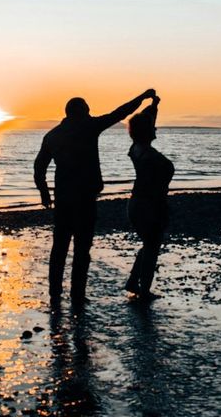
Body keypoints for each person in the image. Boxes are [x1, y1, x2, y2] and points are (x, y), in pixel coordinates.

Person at [34, 88, 156, 303]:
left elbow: (39, 166)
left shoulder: (52, 135)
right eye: (88, 112)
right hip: (84, 198)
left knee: (59, 247)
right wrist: (143, 97)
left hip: (63, 199)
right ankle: (77, 295)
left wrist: (44, 192)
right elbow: (120, 112)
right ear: (83, 112)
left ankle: (55, 293)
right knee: (82, 248)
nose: (90, 115)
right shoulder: (89, 126)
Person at [124, 94, 173, 301]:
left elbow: (146, 119)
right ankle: (143, 290)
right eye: (152, 127)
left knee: (149, 243)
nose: (156, 128)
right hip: (147, 205)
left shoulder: (136, 148)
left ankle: (135, 282)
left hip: (142, 203)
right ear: (146, 131)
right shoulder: (146, 154)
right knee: (152, 246)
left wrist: (153, 105)